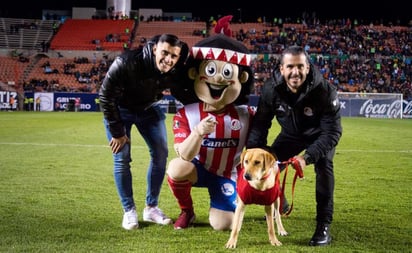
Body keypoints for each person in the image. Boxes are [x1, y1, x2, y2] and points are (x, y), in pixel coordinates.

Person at [246, 45, 342, 246]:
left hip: (318, 137)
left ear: (308, 68)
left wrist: (307, 157)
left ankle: (323, 225)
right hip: (290, 135)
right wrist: (255, 150)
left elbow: (332, 132)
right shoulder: (271, 89)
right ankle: (280, 203)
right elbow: (261, 123)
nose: (295, 72)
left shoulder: (324, 90)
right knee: (270, 163)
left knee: (324, 168)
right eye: (290, 67)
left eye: (300, 66)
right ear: (282, 69)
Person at [99, 34, 189, 230]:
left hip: (148, 108)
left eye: (174, 56)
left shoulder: (177, 67)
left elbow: (185, 88)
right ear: (155, 49)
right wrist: (117, 132)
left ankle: (151, 208)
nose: (169, 59)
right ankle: (129, 210)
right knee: (122, 158)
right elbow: (105, 96)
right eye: (165, 53)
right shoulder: (126, 62)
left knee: (161, 153)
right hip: (120, 110)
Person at [166, 33, 255, 230]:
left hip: (227, 174)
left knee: (222, 225)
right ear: (194, 74)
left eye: (226, 73)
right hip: (198, 169)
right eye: (210, 70)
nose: (216, 78)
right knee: (176, 167)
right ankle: (187, 211)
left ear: (241, 78)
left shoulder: (247, 115)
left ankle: (229, 200)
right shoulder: (186, 114)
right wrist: (198, 132)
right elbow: (184, 155)